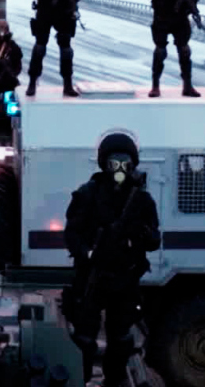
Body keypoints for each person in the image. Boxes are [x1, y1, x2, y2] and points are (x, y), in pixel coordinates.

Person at [62, 132, 161, 387]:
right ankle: (81, 377)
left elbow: (154, 240)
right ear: (104, 164)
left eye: (124, 164)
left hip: (125, 279)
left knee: (121, 337)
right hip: (92, 276)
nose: (119, 170)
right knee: (84, 336)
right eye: (114, 164)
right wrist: (89, 254)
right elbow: (72, 233)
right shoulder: (88, 194)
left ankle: (115, 379)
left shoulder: (142, 200)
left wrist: (141, 235)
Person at [139, 0, 202, 98]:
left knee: (185, 50)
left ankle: (187, 85)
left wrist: (190, 6)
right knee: (160, 51)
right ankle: (155, 86)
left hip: (180, 18)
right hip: (162, 16)